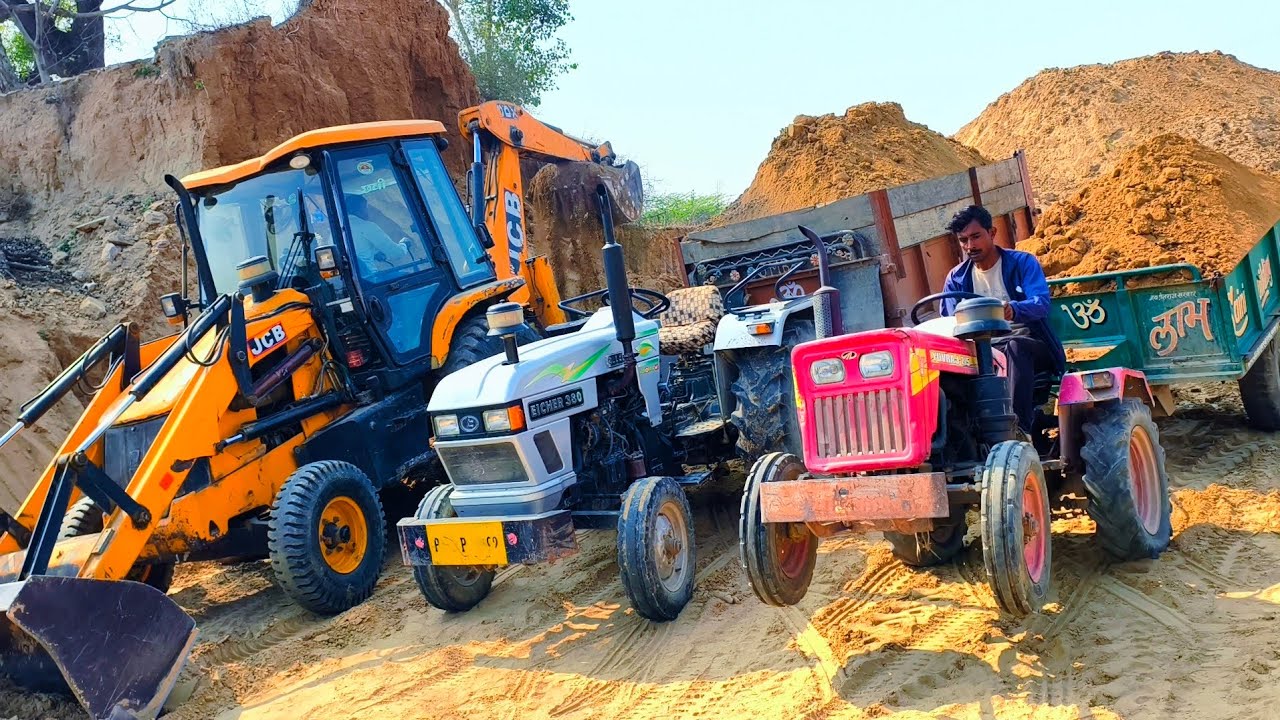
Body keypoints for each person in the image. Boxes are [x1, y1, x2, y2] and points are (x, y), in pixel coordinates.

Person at [938, 204, 1065, 434]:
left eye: (976, 237)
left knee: (1015, 347)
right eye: (963, 240)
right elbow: (949, 320)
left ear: (992, 233)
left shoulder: (1022, 263)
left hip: (1029, 346)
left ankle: (1019, 430)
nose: (970, 245)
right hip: (980, 352)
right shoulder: (956, 278)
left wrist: (1012, 310)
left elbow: (1041, 303)